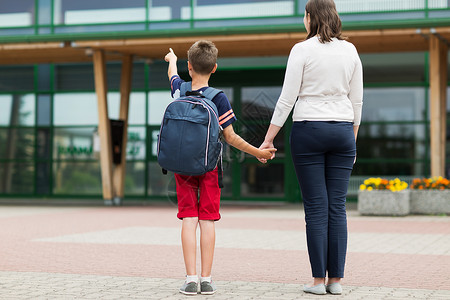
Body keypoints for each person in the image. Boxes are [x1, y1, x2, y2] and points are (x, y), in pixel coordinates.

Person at [259, 0, 363, 296]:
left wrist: (268, 139)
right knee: (337, 208)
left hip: (309, 130)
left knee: (316, 208)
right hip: (343, 130)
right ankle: (337, 282)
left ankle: (318, 281)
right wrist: (351, 138)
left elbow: (286, 99)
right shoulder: (350, 50)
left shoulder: (302, 50)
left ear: (310, 18)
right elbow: (357, 101)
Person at [164, 40, 276, 296]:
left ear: (189, 66)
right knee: (208, 220)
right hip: (210, 168)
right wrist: (258, 152)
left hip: (182, 168)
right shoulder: (219, 97)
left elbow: (173, 76)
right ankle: (207, 280)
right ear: (214, 68)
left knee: (188, 219)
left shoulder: (180, 90)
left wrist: (172, 60)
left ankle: (190, 279)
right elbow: (231, 137)